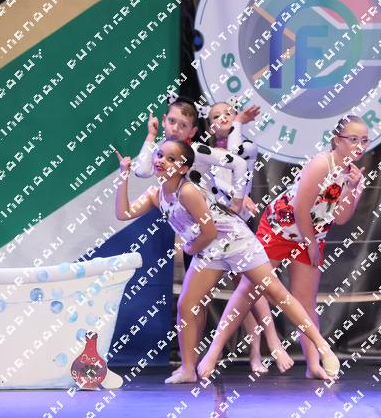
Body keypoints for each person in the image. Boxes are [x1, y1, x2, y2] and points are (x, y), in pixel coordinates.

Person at [114, 139, 340, 383]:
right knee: (186, 305)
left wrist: (189, 248)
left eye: (171, 159)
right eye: (159, 155)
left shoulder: (187, 191)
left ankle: (322, 346)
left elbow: (209, 231)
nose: (161, 161)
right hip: (209, 249)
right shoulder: (155, 195)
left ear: (183, 168)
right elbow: (123, 213)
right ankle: (188, 370)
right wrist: (124, 175)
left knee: (276, 293)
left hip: (234, 241)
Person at [196, 115, 368, 380]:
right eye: (353, 139)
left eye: (364, 140)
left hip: (312, 234)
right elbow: (300, 208)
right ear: (337, 140)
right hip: (281, 228)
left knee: (306, 300)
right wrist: (310, 244)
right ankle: (214, 351)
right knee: (249, 289)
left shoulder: (355, 175)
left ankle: (313, 365)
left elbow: (342, 217)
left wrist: (353, 189)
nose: (359, 146)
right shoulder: (321, 164)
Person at [207, 101, 295, 374]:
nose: (223, 118)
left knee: (252, 286)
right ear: (209, 125)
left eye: (228, 114)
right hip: (213, 225)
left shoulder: (245, 146)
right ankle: (255, 350)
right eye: (216, 116)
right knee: (241, 291)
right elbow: (210, 183)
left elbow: (239, 169)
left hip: (237, 224)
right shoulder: (204, 152)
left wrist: (242, 196)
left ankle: (269, 344)